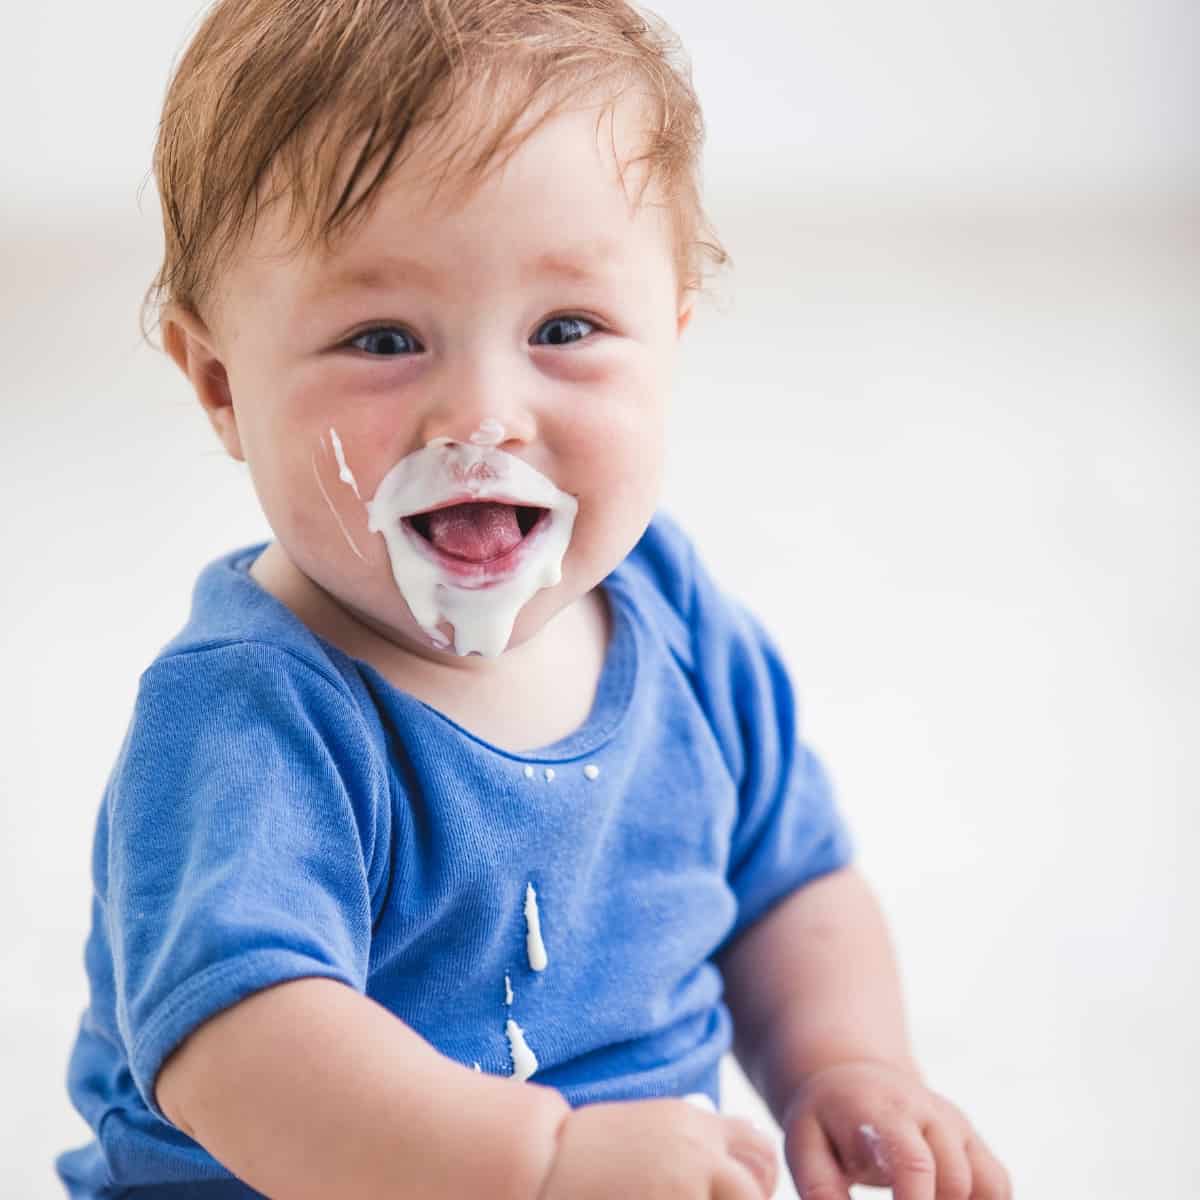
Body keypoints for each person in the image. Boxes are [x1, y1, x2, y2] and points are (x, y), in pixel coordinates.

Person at [57, 1, 1011, 1197]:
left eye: (566, 328)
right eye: (383, 336)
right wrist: (541, 1163)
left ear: (669, 334)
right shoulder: (251, 715)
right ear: (219, 384)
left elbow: (789, 879)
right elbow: (245, 1056)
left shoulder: (670, 612)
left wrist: (846, 1064)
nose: (483, 415)